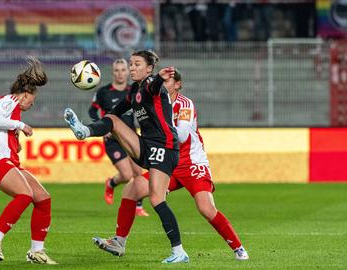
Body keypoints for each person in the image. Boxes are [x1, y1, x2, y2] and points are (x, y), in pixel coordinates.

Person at [93, 70, 250, 261]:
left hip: (191, 163)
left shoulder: (184, 104)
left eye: (168, 81)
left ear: (177, 85)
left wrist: (158, 128)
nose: (163, 84)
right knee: (132, 188)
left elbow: (182, 135)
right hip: (167, 161)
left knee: (206, 208)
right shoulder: (154, 102)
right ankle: (119, 242)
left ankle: (239, 249)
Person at [64, 50, 189, 264]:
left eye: (136, 64)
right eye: (131, 64)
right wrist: (103, 127)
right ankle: (119, 242)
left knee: (157, 199)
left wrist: (160, 77)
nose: (132, 68)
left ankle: (179, 251)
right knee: (130, 188)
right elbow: (115, 111)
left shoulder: (151, 82)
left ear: (149, 68)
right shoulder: (134, 90)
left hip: (165, 148)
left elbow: (153, 86)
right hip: (146, 145)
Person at [0, 57, 57, 265]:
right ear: (25, 94)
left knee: (43, 198)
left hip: (5, 159)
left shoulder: (11, 109)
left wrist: (9, 141)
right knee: (24, 195)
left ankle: (37, 251)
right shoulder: (9, 101)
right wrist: (19, 126)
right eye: (32, 99)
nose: (33, 102)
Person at [88, 58, 148, 216]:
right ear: (112, 72)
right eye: (117, 70)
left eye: (123, 70)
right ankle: (111, 183)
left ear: (128, 72)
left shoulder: (134, 90)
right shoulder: (103, 92)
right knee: (127, 175)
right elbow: (92, 111)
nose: (120, 73)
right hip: (112, 139)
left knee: (138, 172)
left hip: (131, 137)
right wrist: (102, 126)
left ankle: (138, 207)